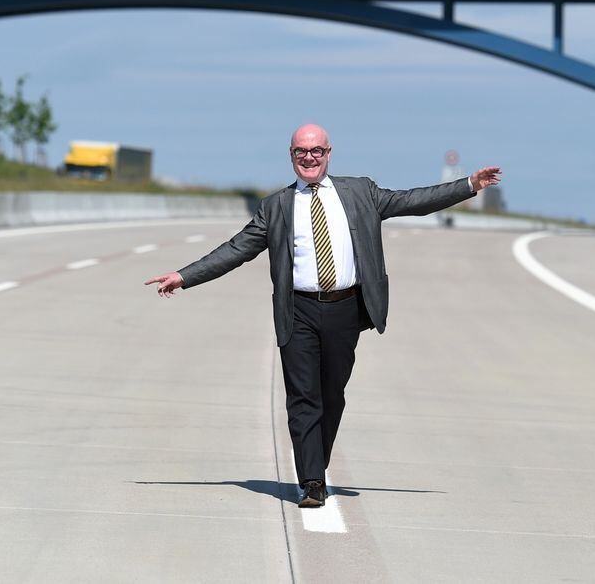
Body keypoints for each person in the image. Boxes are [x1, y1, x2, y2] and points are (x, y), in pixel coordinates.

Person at [145, 124, 501, 508]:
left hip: (345, 308)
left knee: (332, 395)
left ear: (329, 153)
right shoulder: (276, 206)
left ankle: (316, 460)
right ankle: (312, 481)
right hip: (297, 310)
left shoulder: (360, 192)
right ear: (291, 156)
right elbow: (235, 249)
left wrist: (468, 185)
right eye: (301, 151)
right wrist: (185, 276)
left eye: (316, 150)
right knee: (303, 397)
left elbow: (412, 201)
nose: (309, 157)